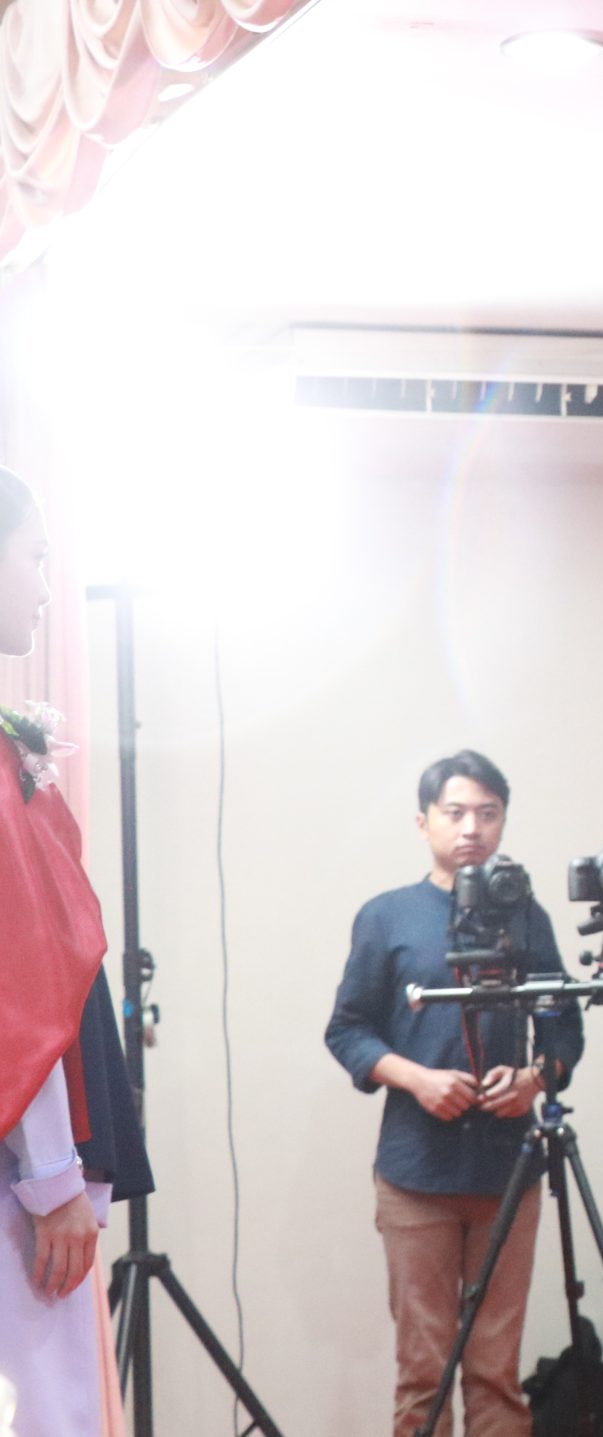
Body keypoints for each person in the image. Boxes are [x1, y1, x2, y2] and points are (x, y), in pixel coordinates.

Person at [324, 750, 586, 1437]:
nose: (472, 827)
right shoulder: (387, 916)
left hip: (509, 1168)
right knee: (425, 1369)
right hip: (416, 1171)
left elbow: (564, 1026)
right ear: (424, 822)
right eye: (456, 812)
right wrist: (417, 1078)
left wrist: (533, 1079)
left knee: (497, 1369)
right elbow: (347, 1030)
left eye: (488, 813)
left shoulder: (526, 915)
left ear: (503, 822)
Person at [0, 467, 151, 1436]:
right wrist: (55, 1177)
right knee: (39, 1409)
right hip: (16, 1171)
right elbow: (21, 979)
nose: (49, 588)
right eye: (37, 558)